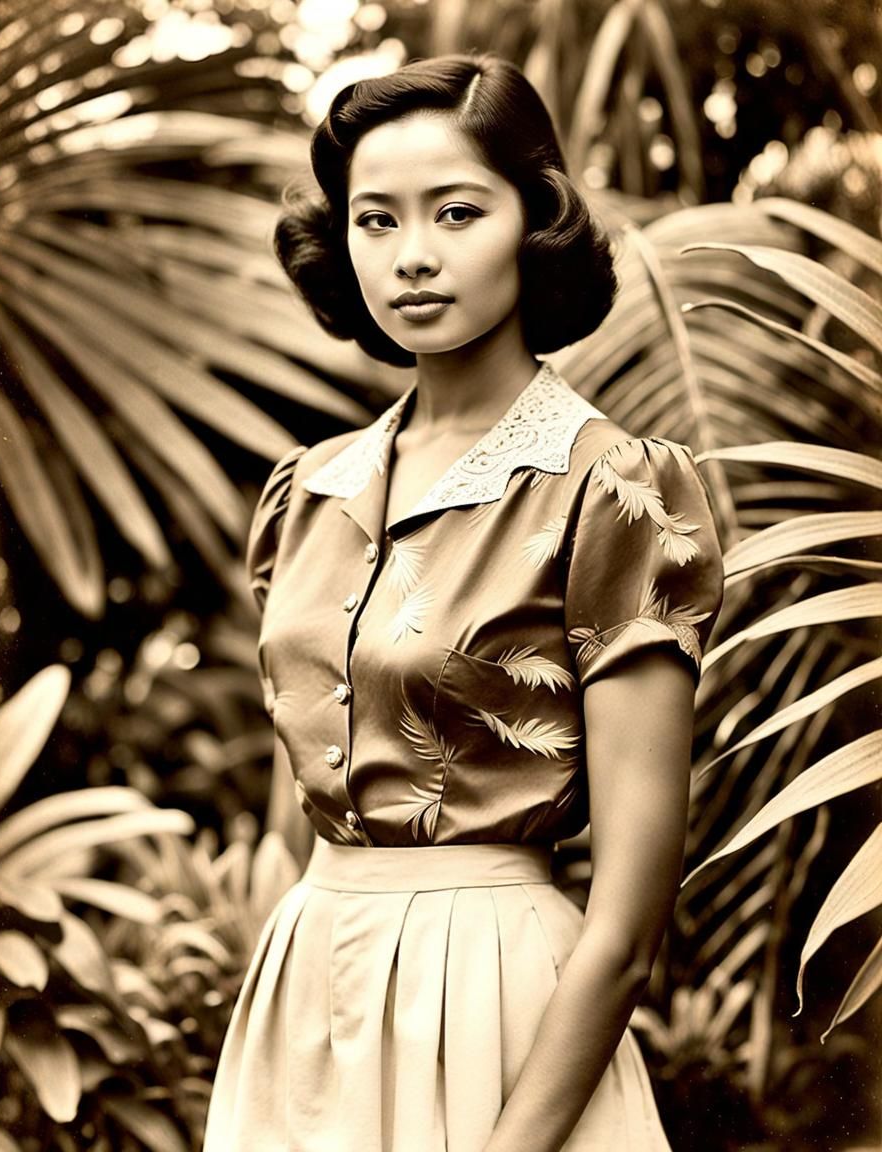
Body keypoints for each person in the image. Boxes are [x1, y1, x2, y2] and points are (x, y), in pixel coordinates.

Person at [203, 51, 723, 1152]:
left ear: (532, 223)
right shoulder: (306, 494)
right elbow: (317, 796)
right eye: (375, 221)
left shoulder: (612, 488)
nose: (414, 257)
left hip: (501, 1011)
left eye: (455, 212)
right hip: (307, 999)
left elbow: (629, 921)